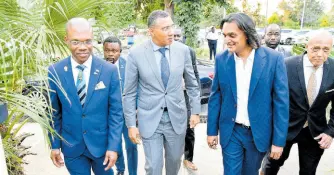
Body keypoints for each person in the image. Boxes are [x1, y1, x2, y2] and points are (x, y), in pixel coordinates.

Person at [207, 13, 289, 175]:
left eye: (232, 35)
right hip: (231, 131)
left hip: (258, 133)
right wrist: (211, 130)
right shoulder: (222, 59)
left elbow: (281, 103)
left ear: (247, 33)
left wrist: (278, 142)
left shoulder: (273, 59)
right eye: (224, 35)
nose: (227, 40)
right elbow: (216, 96)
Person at [122, 10, 201, 175]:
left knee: (174, 163)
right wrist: (131, 124)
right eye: (165, 28)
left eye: (171, 26)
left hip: (176, 118)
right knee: (153, 167)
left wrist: (195, 111)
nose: (171, 32)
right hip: (150, 119)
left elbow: (192, 84)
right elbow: (129, 93)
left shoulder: (183, 51)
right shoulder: (136, 54)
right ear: (151, 31)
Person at [48, 18, 123, 175]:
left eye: (87, 41)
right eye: (76, 42)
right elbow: (53, 112)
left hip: (102, 147)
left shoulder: (108, 71)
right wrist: (54, 145)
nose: (83, 47)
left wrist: (113, 147)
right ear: (66, 40)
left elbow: (116, 113)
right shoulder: (55, 71)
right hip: (72, 147)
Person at [263, 30, 334, 175]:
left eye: (326, 49)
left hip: (315, 132)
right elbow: (270, 99)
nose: (320, 54)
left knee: (309, 171)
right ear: (307, 46)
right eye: (316, 48)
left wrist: (330, 132)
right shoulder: (286, 65)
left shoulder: (333, 69)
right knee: (271, 167)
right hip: (284, 129)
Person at [103, 36, 138, 175]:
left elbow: (137, 88)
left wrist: (136, 108)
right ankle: (120, 170)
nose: (111, 54)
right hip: (109, 116)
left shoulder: (129, 65)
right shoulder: (98, 67)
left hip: (127, 114)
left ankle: (133, 172)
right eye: (107, 50)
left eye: (114, 50)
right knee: (115, 145)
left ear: (120, 51)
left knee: (131, 146)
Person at [174, 28, 200, 171]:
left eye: (178, 35)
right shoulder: (167, 51)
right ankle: (173, 157)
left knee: (189, 128)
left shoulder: (189, 51)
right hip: (171, 96)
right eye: (174, 35)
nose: (176, 38)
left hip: (186, 95)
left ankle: (188, 158)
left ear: (183, 37)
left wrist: (196, 98)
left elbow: (195, 74)